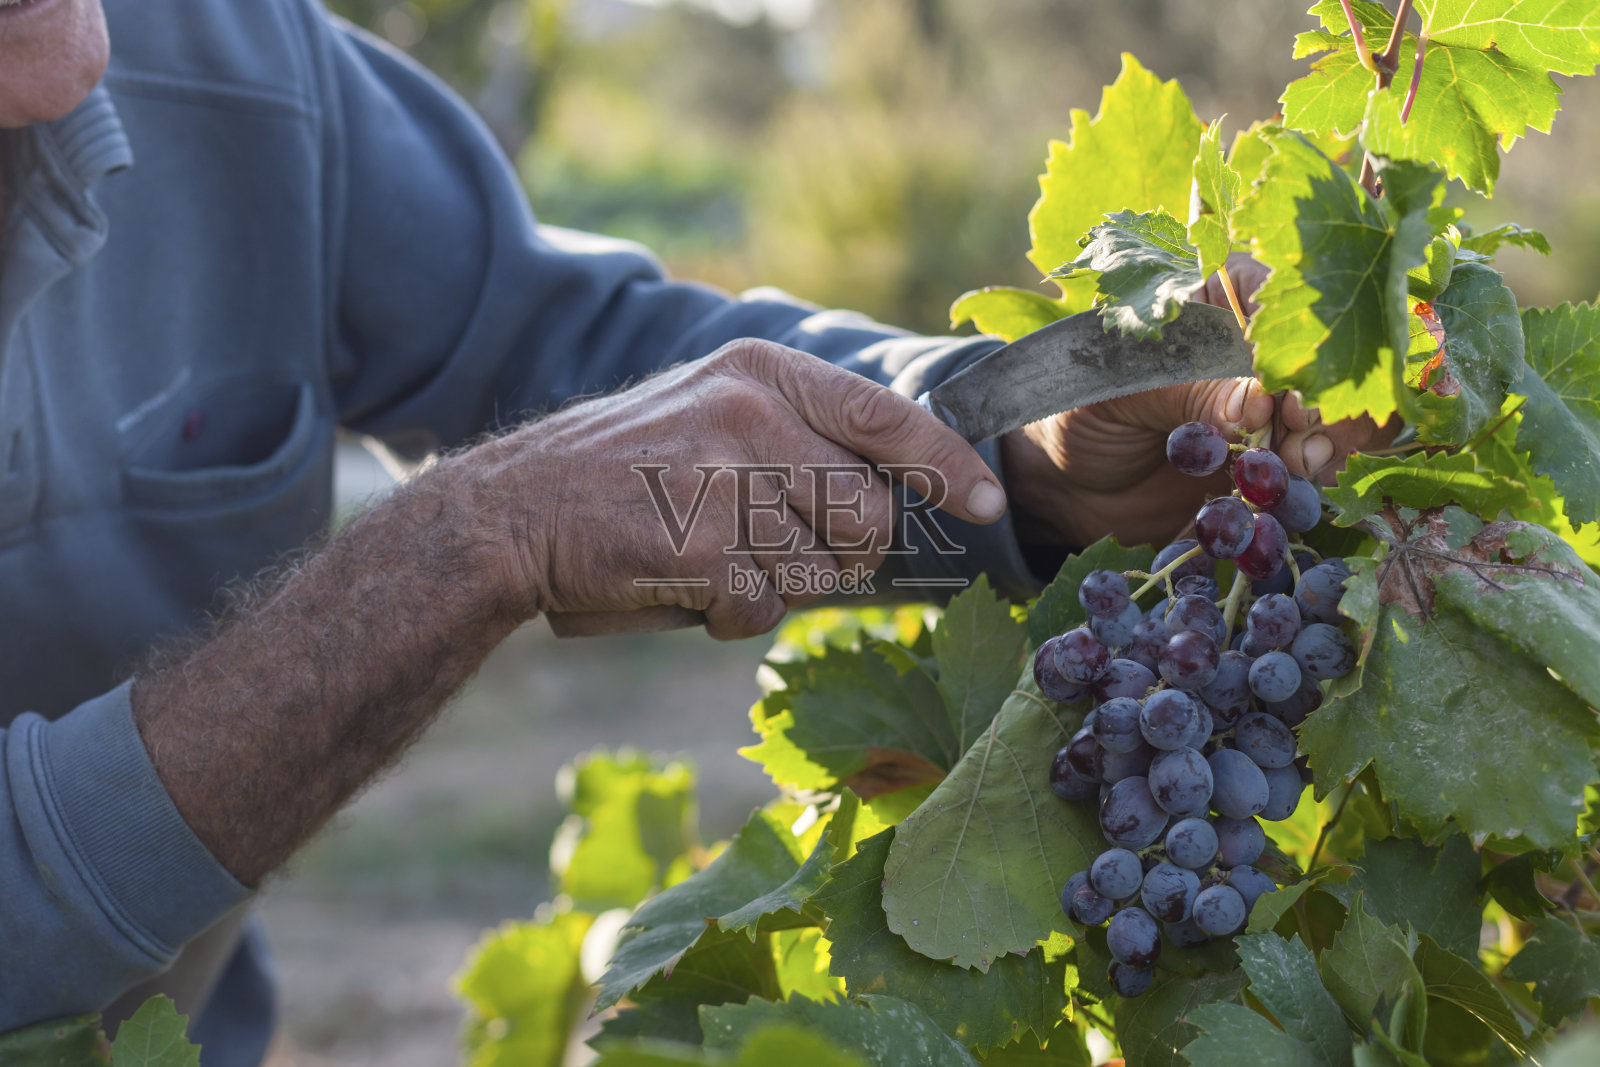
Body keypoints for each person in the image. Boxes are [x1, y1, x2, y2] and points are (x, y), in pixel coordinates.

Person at [0, 0, 1383, 1062]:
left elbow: (570, 350)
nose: (71, 71)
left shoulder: (223, 48)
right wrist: (461, 543)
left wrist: (1019, 448)